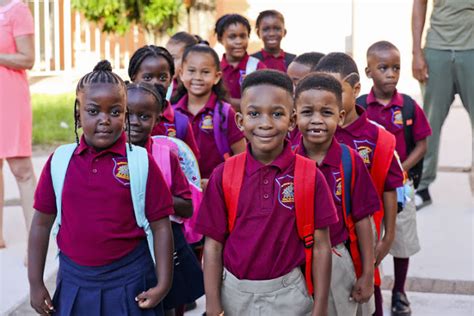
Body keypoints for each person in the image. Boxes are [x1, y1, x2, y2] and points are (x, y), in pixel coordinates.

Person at [28, 61, 174, 315]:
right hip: (75, 280)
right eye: (94, 111)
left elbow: (161, 227)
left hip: (131, 280)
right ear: (78, 113)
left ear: (125, 113)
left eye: (115, 112)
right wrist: (35, 283)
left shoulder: (139, 162)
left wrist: (163, 283)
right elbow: (41, 224)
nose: (105, 120)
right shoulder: (60, 162)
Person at [196, 69, 338, 316]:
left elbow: (321, 247)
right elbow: (213, 246)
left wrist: (320, 308)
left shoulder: (309, 175)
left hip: (289, 294)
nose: (265, 123)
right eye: (254, 114)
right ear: (240, 121)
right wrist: (213, 305)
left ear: (292, 121)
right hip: (233, 293)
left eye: (277, 114)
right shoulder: (223, 175)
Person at [314, 52, 404, 316]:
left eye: (336, 92)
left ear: (355, 89)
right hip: (323, 236)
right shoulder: (312, 131)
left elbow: (389, 188)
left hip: (365, 230)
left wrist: (388, 238)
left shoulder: (379, 137)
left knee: (366, 292)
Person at [295, 73, 380, 316]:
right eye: (307, 112)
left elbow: (363, 220)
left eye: (327, 113)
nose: (316, 120)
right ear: (294, 117)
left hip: (336, 259)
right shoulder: (288, 161)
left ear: (340, 117)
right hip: (295, 263)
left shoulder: (349, 161)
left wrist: (366, 273)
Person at [359, 41, 431, 315]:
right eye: (383, 68)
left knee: (401, 239)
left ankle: (399, 292)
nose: (391, 73)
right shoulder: (360, 106)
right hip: (369, 189)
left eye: (396, 68)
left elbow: (422, 144)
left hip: (401, 187)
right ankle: (373, 292)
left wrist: (402, 169)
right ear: (368, 72)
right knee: (370, 241)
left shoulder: (410, 106)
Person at [126, 82, 204, 316]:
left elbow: (187, 207)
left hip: (164, 244)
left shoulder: (165, 155)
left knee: (167, 303)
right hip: (127, 247)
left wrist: (155, 198)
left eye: (143, 116)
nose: (134, 122)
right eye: (126, 114)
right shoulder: (107, 157)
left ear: (157, 117)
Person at [412, 0, 474, 208]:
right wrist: (417, 53)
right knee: (429, 122)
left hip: (471, 49)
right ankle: (422, 187)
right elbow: (419, 5)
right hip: (437, 49)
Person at [173, 44, 246, 187]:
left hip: (219, 188)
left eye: (205, 72)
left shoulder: (225, 113)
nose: (197, 77)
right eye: (191, 71)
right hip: (183, 191)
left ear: (217, 77)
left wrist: (217, 182)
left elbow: (241, 157)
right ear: (181, 74)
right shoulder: (172, 113)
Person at [0, 0, 36, 252]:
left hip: (9, 97)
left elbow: (28, 58)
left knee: (21, 169)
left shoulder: (17, 9)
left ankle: (35, 243)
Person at [128, 45, 200, 159]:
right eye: (147, 78)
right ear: (133, 77)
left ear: (171, 79)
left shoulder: (180, 123)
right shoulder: (122, 117)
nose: (155, 83)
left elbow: (190, 164)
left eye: (162, 78)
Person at [215, 13, 266, 110]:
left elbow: (263, 101)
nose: (239, 42)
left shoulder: (257, 67)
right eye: (232, 37)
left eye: (243, 36)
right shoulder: (215, 68)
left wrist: (226, 101)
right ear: (220, 39)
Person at [286, 52, 326, 148]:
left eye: (296, 84)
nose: (289, 89)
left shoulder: (322, 125)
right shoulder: (290, 118)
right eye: (288, 82)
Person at [166, 32, 199, 101]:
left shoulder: (196, 87)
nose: (167, 62)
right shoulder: (167, 85)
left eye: (173, 58)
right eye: (166, 57)